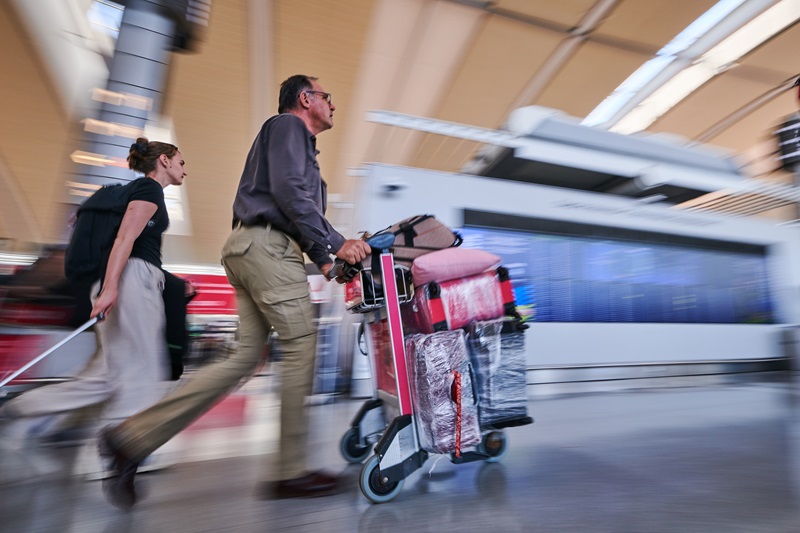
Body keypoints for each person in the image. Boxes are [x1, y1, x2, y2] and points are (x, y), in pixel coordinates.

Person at [98, 74, 370, 509]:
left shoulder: (302, 147)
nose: (332, 105)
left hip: (253, 248)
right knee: (302, 346)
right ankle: (291, 471)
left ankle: (129, 439)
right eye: (327, 96)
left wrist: (325, 261)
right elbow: (287, 193)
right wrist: (339, 242)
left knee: (244, 357)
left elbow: (296, 206)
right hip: (266, 249)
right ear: (305, 99)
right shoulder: (287, 127)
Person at [0, 138, 187, 480]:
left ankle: (26, 409)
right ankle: (120, 451)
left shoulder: (134, 190)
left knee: (107, 374)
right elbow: (125, 240)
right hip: (132, 279)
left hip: (120, 279)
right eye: (180, 162)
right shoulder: (149, 190)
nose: (184, 169)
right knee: (143, 368)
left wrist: (108, 286)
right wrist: (112, 287)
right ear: (164, 160)